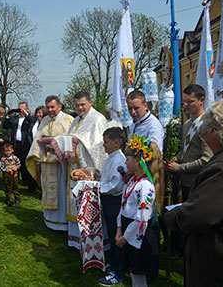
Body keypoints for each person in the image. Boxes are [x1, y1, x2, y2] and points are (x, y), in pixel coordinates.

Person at [163, 100, 223, 287]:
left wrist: (171, 216)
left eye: (206, 129)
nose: (202, 133)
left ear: (217, 131)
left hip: (219, 263)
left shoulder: (221, 171)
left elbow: (196, 217)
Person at [104, 134, 163, 287]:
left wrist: (124, 238)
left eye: (128, 159)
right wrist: (118, 230)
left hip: (137, 236)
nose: (125, 162)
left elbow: (142, 219)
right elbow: (123, 207)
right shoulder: (132, 181)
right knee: (133, 270)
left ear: (137, 161)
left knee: (139, 272)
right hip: (126, 230)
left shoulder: (145, 186)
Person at [66, 91, 108, 248]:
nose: (79, 108)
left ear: (90, 102)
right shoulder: (76, 119)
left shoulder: (97, 119)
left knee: (89, 207)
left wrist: (78, 142)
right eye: (77, 105)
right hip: (74, 168)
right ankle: (76, 242)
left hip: (89, 170)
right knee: (75, 203)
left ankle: (93, 244)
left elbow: (98, 146)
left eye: (82, 104)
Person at [26, 95, 74, 231]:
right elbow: (37, 140)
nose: (50, 110)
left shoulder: (69, 120)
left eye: (53, 107)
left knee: (62, 193)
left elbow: (71, 141)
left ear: (60, 106)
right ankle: (51, 221)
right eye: (48, 107)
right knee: (49, 192)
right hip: (47, 164)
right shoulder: (45, 120)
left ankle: (64, 223)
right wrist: (37, 160)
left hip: (61, 165)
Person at [165, 84, 213, 201]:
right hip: (185, 182)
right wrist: (176, 158)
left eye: (190, 101)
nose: (185, 105)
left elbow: (206, 159)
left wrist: (179, 167)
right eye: (184, 101)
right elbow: (185, 151)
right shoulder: (186, 124)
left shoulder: (207, 124)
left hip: (200, 182)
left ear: (202, 100)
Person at [97, 127, 127, 286]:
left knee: (116, 235)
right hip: (108, 200)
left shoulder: (119, 159)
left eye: (106, 142)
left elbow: (115, 185)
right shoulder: (111, 157)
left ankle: (118, 272)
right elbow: (107, 177)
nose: (104, 145)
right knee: (110, 230)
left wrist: (98, 188)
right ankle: (114, 264)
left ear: (117, 143)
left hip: (115, 201)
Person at [3, 101, 37, 192]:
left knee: (27, 164)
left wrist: (26, 115)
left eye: (23, 108)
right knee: (17, 163)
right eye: (19, 108)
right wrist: (8, 115)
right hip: (16, 144)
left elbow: (33, 122)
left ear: (27, 108)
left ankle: (31, 185)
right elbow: (5, 126)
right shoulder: (14, 118)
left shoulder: (29, 118)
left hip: (26, 143)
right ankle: (18, 183)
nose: (21, 110)